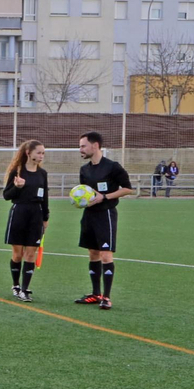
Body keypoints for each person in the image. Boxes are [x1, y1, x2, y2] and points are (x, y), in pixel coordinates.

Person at [74, 131, 132, 310]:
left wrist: (104, 197)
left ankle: (106, 297)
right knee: (93, 253)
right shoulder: (84, 170)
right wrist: (80, 201)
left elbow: (128, 189)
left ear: (95, 145)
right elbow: (85, 192)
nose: (80, 149)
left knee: (106, 255)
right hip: (89, 215)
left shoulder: (112, 167)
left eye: (83, 146)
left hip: (105, 214)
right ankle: (95, 293)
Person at [1, 140, 49, 301]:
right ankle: (16, 284)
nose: (41, 156)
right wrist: (18, 187)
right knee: (18, 253)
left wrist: (45, 217)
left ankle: (25, 289)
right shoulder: (17, 171)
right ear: (28, 153)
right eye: (39, 152)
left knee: (31, 253)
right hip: (19, 212)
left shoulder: (43, 174)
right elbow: (7, 195)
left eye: (43, 153)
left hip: (36, 215)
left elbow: (45, 198)